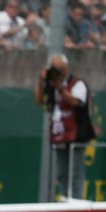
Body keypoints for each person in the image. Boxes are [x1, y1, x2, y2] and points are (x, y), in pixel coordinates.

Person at [41, 54, 94, 200]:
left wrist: (59, 87)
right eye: (54, 69)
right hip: (59, 133)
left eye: (59, 69)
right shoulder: (52, 85)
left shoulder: (77, 84)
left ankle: (76, 200)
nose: (56, 72)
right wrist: (42, 81)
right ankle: (64, 197)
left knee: (76, 172)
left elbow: (75, 102)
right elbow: (40, 100)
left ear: (66, 69)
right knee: (61, 173)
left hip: (76, 134)